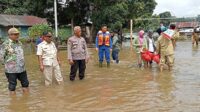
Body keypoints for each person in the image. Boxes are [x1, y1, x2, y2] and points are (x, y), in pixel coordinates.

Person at [0, 27, 29, 95]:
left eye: (18, 34)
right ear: (9, 35)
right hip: (11, 70)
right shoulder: (5, 44)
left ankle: (26, 99)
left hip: (22, 68)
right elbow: (1, 56)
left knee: (25, 84)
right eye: (15, 34)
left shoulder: (19, 43)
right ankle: (13, 102)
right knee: (12, 86)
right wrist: (6, 65)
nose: (17, 35)